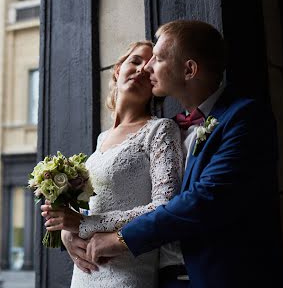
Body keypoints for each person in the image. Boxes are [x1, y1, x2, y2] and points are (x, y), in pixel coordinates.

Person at [83, 20, 283, 288]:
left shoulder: (244, 118)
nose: (147, 67)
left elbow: (206, 199)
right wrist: (71, 230)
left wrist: (122, 239)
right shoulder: (168, 130)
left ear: (189, 69)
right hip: (161, 278)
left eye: (157, 59)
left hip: (224, 276)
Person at [41, 41, 183, 288]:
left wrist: (84, 225)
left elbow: (165, 207)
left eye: (149, 69)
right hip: (85, 273)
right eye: (136, 61)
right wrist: (67, 233)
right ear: (118, 68)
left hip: (128, 272)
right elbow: (94, 204)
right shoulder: (101, 139)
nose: (141, 70)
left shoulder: (160, 130)